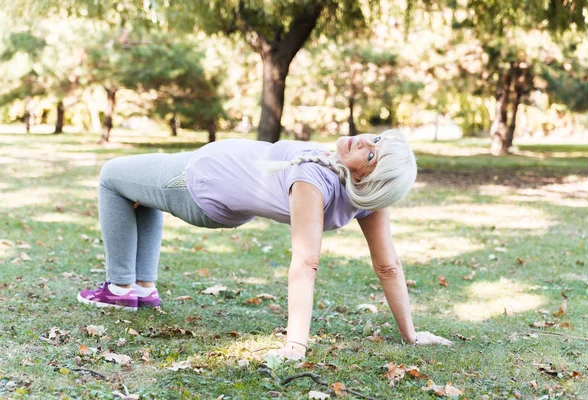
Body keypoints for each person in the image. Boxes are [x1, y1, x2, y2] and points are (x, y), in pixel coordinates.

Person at [77, 129, 452, 360]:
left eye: (371, 155)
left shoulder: (315, 181)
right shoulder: (354, 188)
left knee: (112, 176)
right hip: (208, 179)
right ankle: (140, 287)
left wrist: (295, 345)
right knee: (139, 191)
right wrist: (411, 337)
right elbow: (388, 266)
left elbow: (306, 264)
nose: (366, 141)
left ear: (368, 181)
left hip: (199, 184)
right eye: (377, 140)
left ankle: (120, 288)